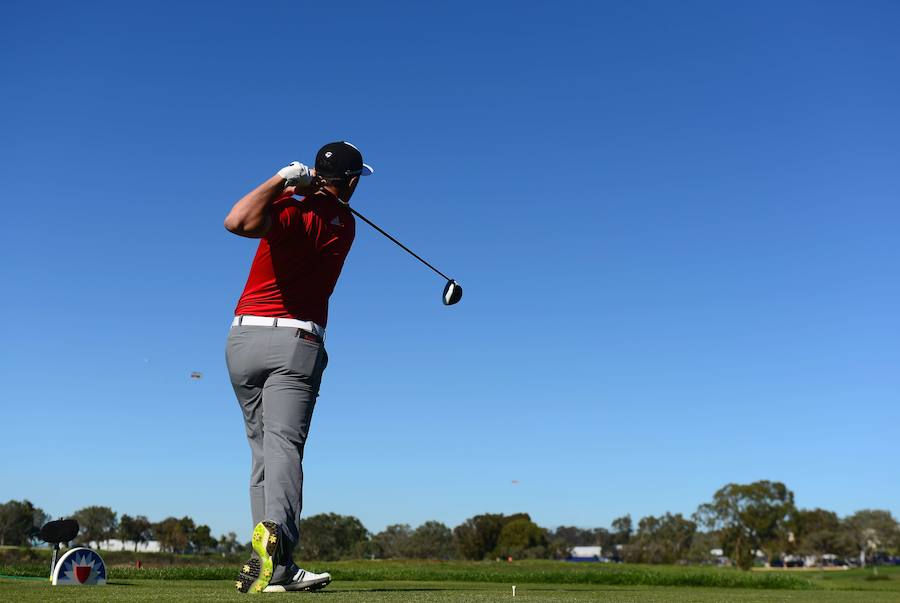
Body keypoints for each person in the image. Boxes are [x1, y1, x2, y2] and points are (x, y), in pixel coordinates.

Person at [223, 142, 373, 593]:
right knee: (285, 447)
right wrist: (297, 189)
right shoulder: (344, 223)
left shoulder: (289, 207)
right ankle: (280, 553)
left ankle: (268, 564)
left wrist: (281, 181)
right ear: (349, 182)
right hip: (296, 342)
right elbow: (238, 224)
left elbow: (236, 220)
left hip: (241, 340)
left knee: (262, 455)